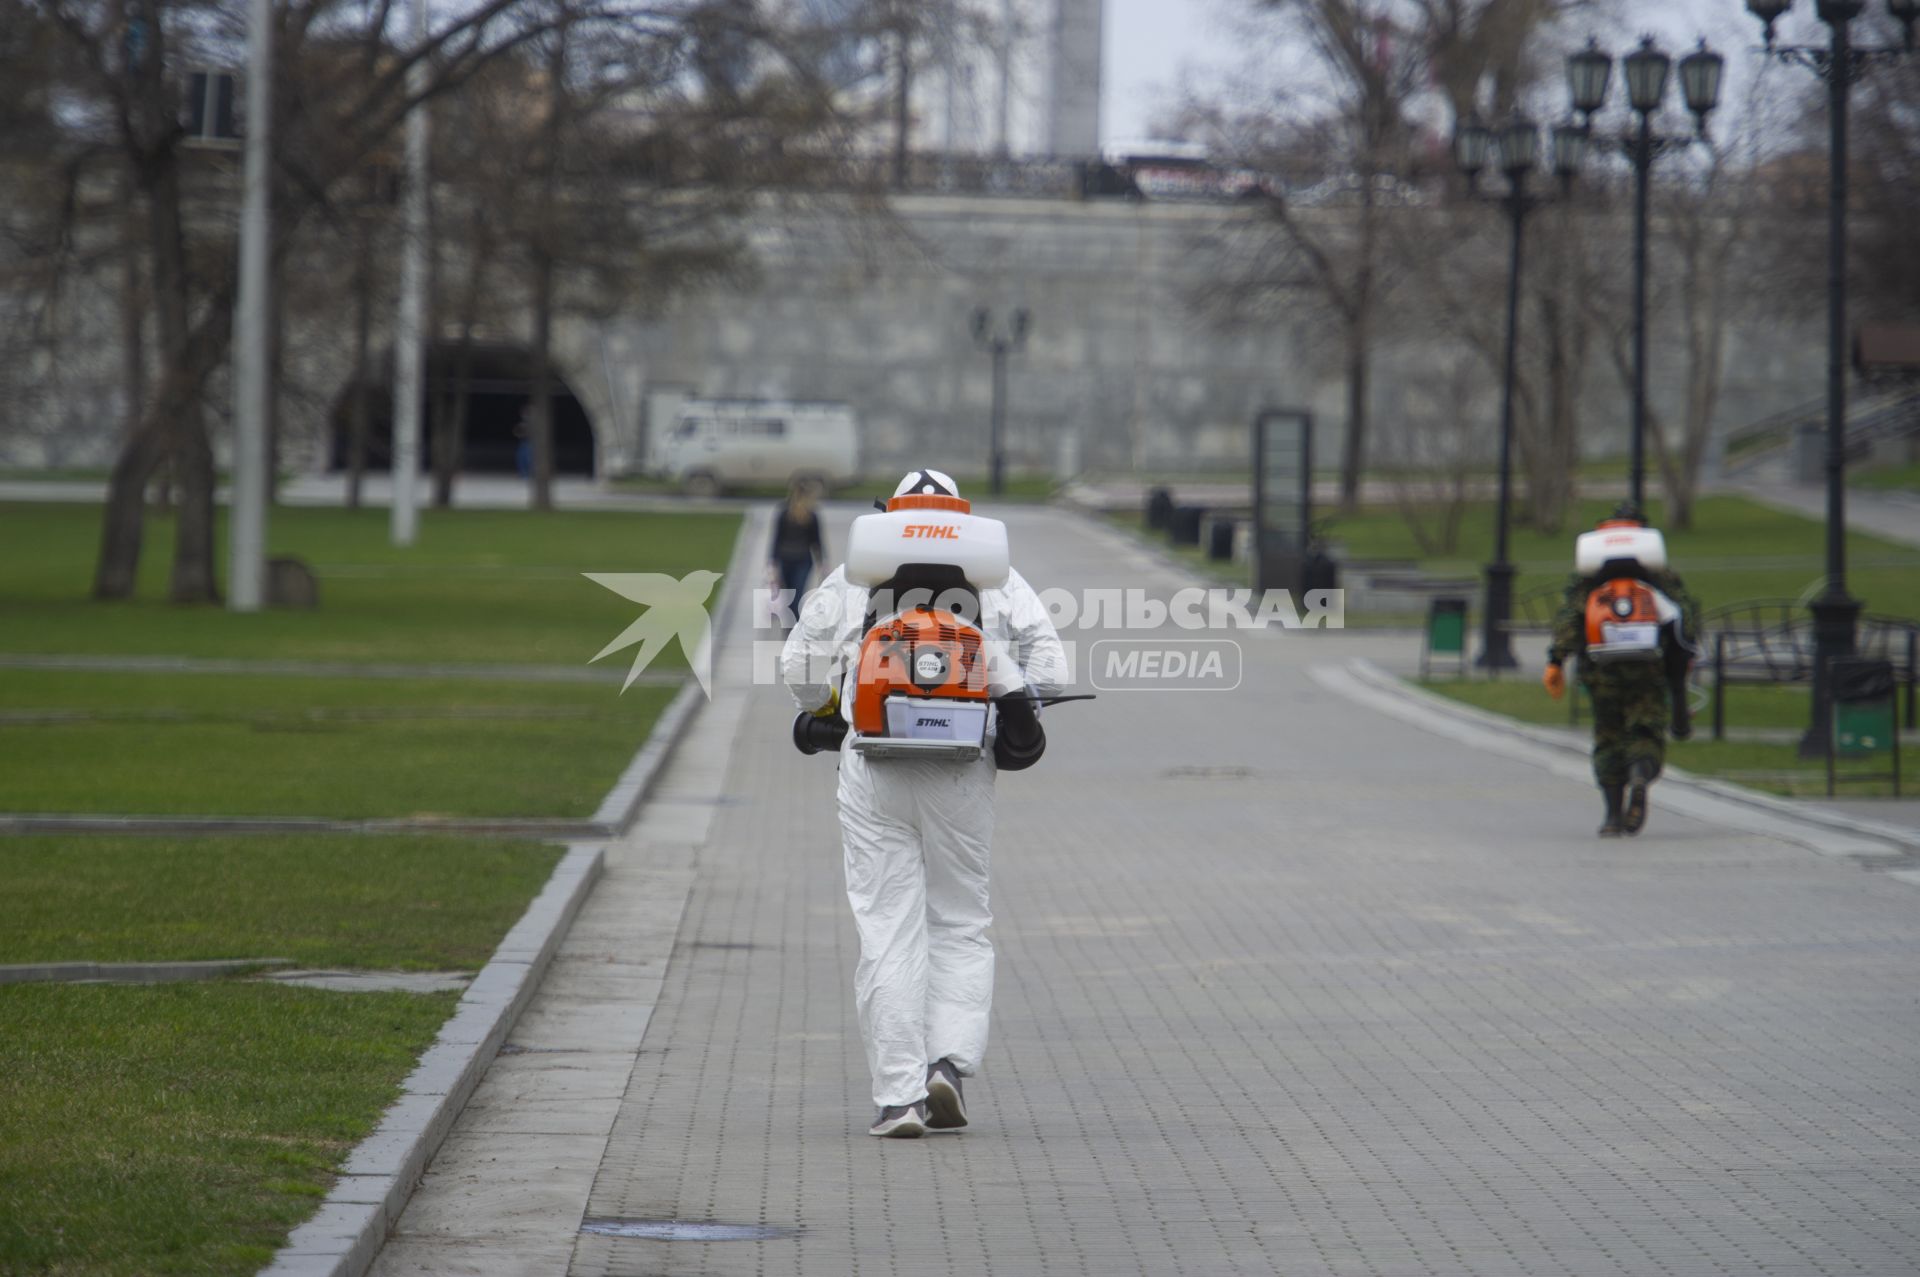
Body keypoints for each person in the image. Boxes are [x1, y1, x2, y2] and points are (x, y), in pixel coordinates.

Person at [780, 469, 1068, 1138]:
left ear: (891, 515)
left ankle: (898, 1097)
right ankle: (949, 1064)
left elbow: (799, 664)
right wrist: (1008, 704)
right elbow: (1049, 670)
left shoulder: (857, 571)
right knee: (961, 920)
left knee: (887, 927)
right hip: (964, 767)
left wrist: (828, 710)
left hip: (873, 765)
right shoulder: (997, 574)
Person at [1543, 503, 1700, 837]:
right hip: (1649, 668)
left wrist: (1556, 660)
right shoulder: (1659, 574)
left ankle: (1613, 816)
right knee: (1645, 730)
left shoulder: (1587, 577)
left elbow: (1572, 619)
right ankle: (1641, 773)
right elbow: (1684, 619)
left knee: (1608, 734)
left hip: (1600, 670)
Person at [769, 478, 825, 632]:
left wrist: (772, 561)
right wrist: (822, 563)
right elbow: (817, 541)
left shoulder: (789, 513)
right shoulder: (806, 514)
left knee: (790, 597)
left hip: (789, 559)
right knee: (795, 596)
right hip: (801, 559)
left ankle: (791, 629)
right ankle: (793, 629)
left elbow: (776, 539)